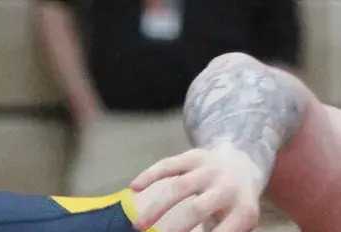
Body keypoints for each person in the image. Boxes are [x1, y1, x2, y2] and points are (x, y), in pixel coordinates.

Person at [34, 0, 303, 195]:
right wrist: (87, 111)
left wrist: (250, 136)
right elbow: (53, 8)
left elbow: (282, 52)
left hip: (220, 134)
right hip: (117, 128)